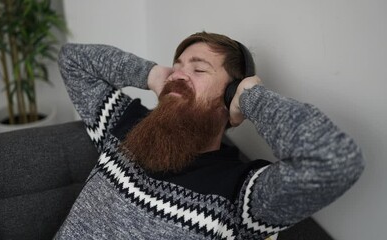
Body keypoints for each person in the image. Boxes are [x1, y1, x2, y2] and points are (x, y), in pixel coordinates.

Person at [54, 32, 364, 240]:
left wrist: (250, 97)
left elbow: (334, 161)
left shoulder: (242, 195)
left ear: (229, 97)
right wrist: (152, 74)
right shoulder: (125, 125)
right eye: (177, 66)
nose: (178, 74)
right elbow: (72, 59)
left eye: (199, 69)